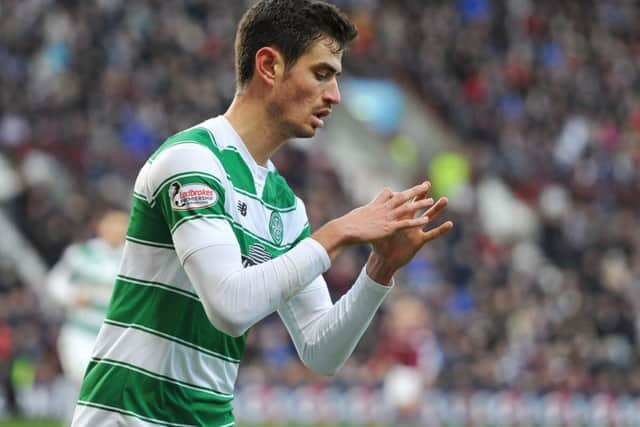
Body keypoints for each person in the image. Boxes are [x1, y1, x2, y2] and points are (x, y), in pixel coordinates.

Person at [71, 1, 453, 426]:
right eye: (321, 74)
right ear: (269, 65)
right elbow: (230, 307)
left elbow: (321, 351)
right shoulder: (191, 161)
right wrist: (336, 234)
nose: (335, 96)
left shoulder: (284, 204)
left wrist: (379, 270)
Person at [46, 210, 128, 416]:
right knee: (84, 382)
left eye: (122, 225)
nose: (117, 230)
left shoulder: (132, 258)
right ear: (101, 227)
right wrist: (73, 295)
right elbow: (54, 283)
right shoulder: (82, 253)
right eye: (113, 224)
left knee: (108, 392)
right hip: (80, 333)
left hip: (115, 336)